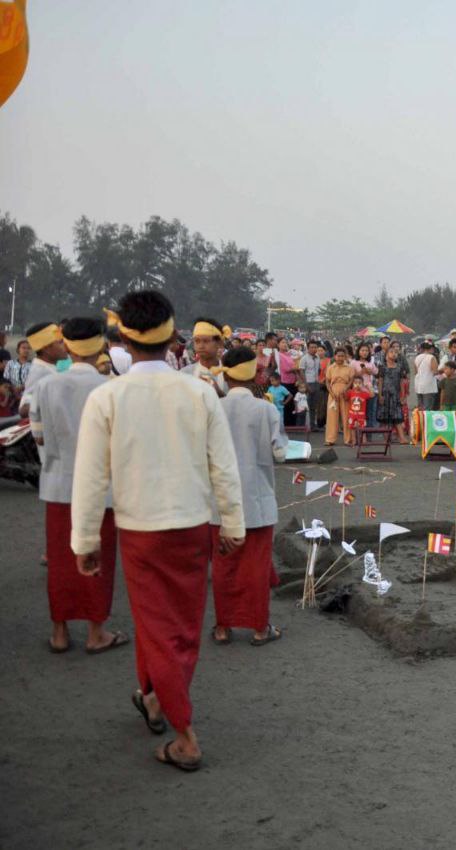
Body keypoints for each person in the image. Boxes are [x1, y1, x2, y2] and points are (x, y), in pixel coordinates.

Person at [72, 290, 245, 772]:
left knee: (156, 626)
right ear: (173, 337)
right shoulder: (199, 392)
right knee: (182, 629)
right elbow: (223, 469)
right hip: (192, 527)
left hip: (139, 530)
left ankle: (185, 734)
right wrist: (232, 523)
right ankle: (154, 699)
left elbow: (90, 478)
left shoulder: (107, 396)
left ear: (122, 337)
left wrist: (85, 541)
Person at [31, 317, 128, 655]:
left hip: (58, 484)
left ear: (67, 346)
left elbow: (38, 435)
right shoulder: (112, 389)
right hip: (101, 489)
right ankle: (95, 631)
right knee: (97, 557)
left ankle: (59, 631)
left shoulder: (47, 386)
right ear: (101, 345)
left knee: (60, 559)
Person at [209, 348, 287, 647]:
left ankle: (222, 627)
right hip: (256, 496)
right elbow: (279, 454)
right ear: (255, 375)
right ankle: (259, 627)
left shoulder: (214, 408)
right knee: (256, 565)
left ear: (226, 375)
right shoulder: (265, 409)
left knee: (223, 564)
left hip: (219, 499)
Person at [181, 317, 229, 396]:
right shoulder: (185, 373)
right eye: (197, 341)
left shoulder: (229, 375)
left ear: (219, 343)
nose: (201, 346)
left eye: (206, 341)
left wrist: (219, 394)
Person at [377, 345, 409, 444]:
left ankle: (402, 438)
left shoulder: (399, 367)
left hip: (395, 395)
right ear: (386, 355)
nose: (394, 354)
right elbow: (380, 381)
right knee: (385, 418)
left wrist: (403, 396)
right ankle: (387, 438)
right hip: (385, 394)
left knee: (398, 417)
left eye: (395, 352)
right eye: (391, 352)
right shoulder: (382, 367)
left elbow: (402, 382)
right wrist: (380, 395)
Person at [298, 340, 326, 431]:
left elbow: (319, 370)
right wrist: (306, 385)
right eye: (312, 347)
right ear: (308, 348)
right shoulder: (304, 358)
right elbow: (301, 372)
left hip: (316, 383)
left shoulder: (317, 357)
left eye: (315, 347)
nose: (314, 349)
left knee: (314, 406)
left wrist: (317, 379)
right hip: (308, 383)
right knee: (306, 405)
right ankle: (305, 426)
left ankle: (313, 426)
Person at [412, 341, 438, 412]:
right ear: (431, 349)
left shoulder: (417, 358)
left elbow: (415, 372)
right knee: (428, 408)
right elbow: (435, 371)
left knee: (420, 407)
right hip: (428, 386)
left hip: (418, 385)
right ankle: (426, 422)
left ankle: (420, 422)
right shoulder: (431, 357)